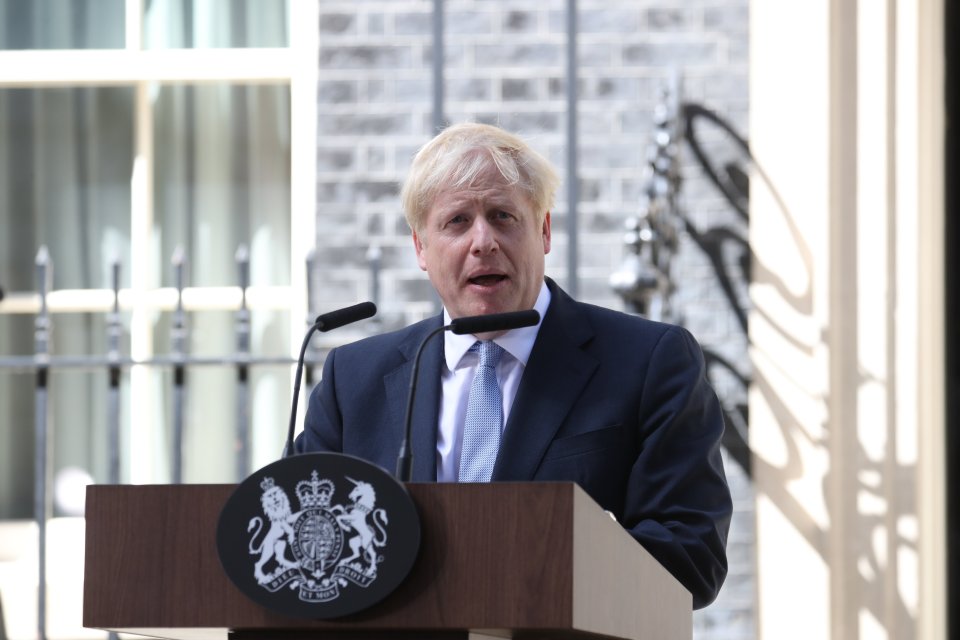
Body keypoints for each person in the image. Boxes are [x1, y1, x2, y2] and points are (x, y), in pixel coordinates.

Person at [296, 122, 732, 608]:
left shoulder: (649, 361)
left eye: (503, 216)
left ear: (543, 231)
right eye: (457, 221)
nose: (483, 241)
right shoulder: (354, 381)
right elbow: (299, 547)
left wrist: (543, 554)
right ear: (420, 247)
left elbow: (692, 557)